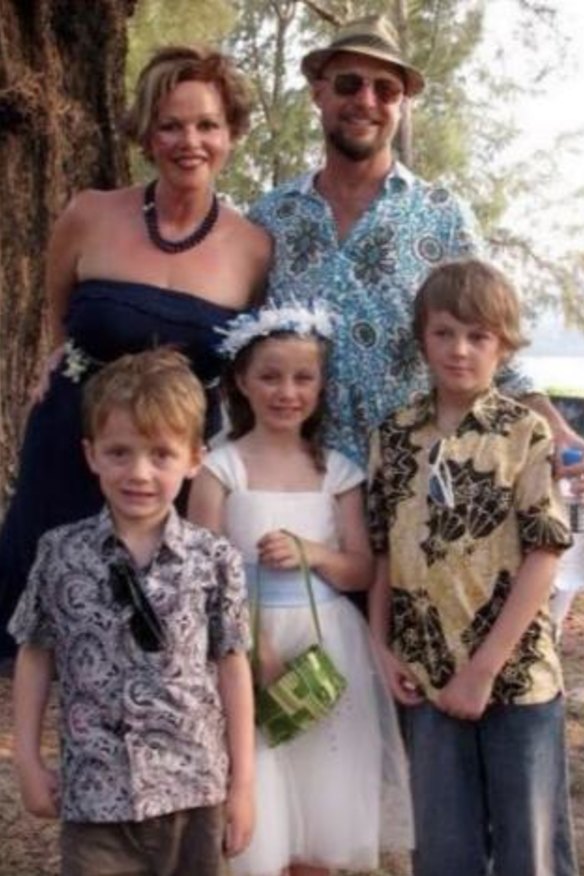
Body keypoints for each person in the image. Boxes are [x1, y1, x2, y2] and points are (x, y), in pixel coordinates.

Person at [0, 44, 271, 659]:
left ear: (231, 134)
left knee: (150, 640)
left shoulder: (255, 249)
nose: (189, 142)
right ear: (147, 133)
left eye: (207, 125)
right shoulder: (88, 213)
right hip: (73, 440)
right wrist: (58, 356)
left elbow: (246, 361)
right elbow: (57, 309)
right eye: (170, 125)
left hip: (174, 462)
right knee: (43, 627)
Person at [249, 14, 584, 476]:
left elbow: (491, 342)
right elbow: (240, 345)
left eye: (386, 89)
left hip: (414, 485)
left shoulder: (444, 215)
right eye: (349, 83)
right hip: (296, 482)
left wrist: (553, 426)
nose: (366, 100)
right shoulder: (270, 217)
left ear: (402, 104)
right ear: (318, 93)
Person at [9, 348, 255, 876]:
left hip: (194, 793)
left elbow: (233, 666)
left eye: (161, 454)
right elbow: (34, 654)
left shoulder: (214, 560)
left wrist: (244, 786)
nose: (139, 473)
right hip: (96, 798)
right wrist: (27, 759)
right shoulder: (60, 553)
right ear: (91, 454)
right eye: (119, 452)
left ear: (195, 459)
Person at [368, 259, 578, 876]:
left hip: (515, 679)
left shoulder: (525, 434)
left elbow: (545, 555)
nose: (459, 350)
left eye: (478, 336)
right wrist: (381, 647)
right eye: (444, 333)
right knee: (443, 851)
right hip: (427, 678)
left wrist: (482, 671)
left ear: (503, 346)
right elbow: (383, 552)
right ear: (422, 338)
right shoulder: (394, 436)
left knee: (527, 852)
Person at [188, 304, 413, 876]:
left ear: (319, 386)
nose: (286, 392)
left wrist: (314, 553)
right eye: (270, 376)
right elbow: (201, 572)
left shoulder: (337, 472)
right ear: (242, 381)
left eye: (302, 378)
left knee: (322, 797)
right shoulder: (221, 468)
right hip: (246, 642)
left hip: (325, 645)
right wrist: (251, 649)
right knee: (261, 791)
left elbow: (361, 570)